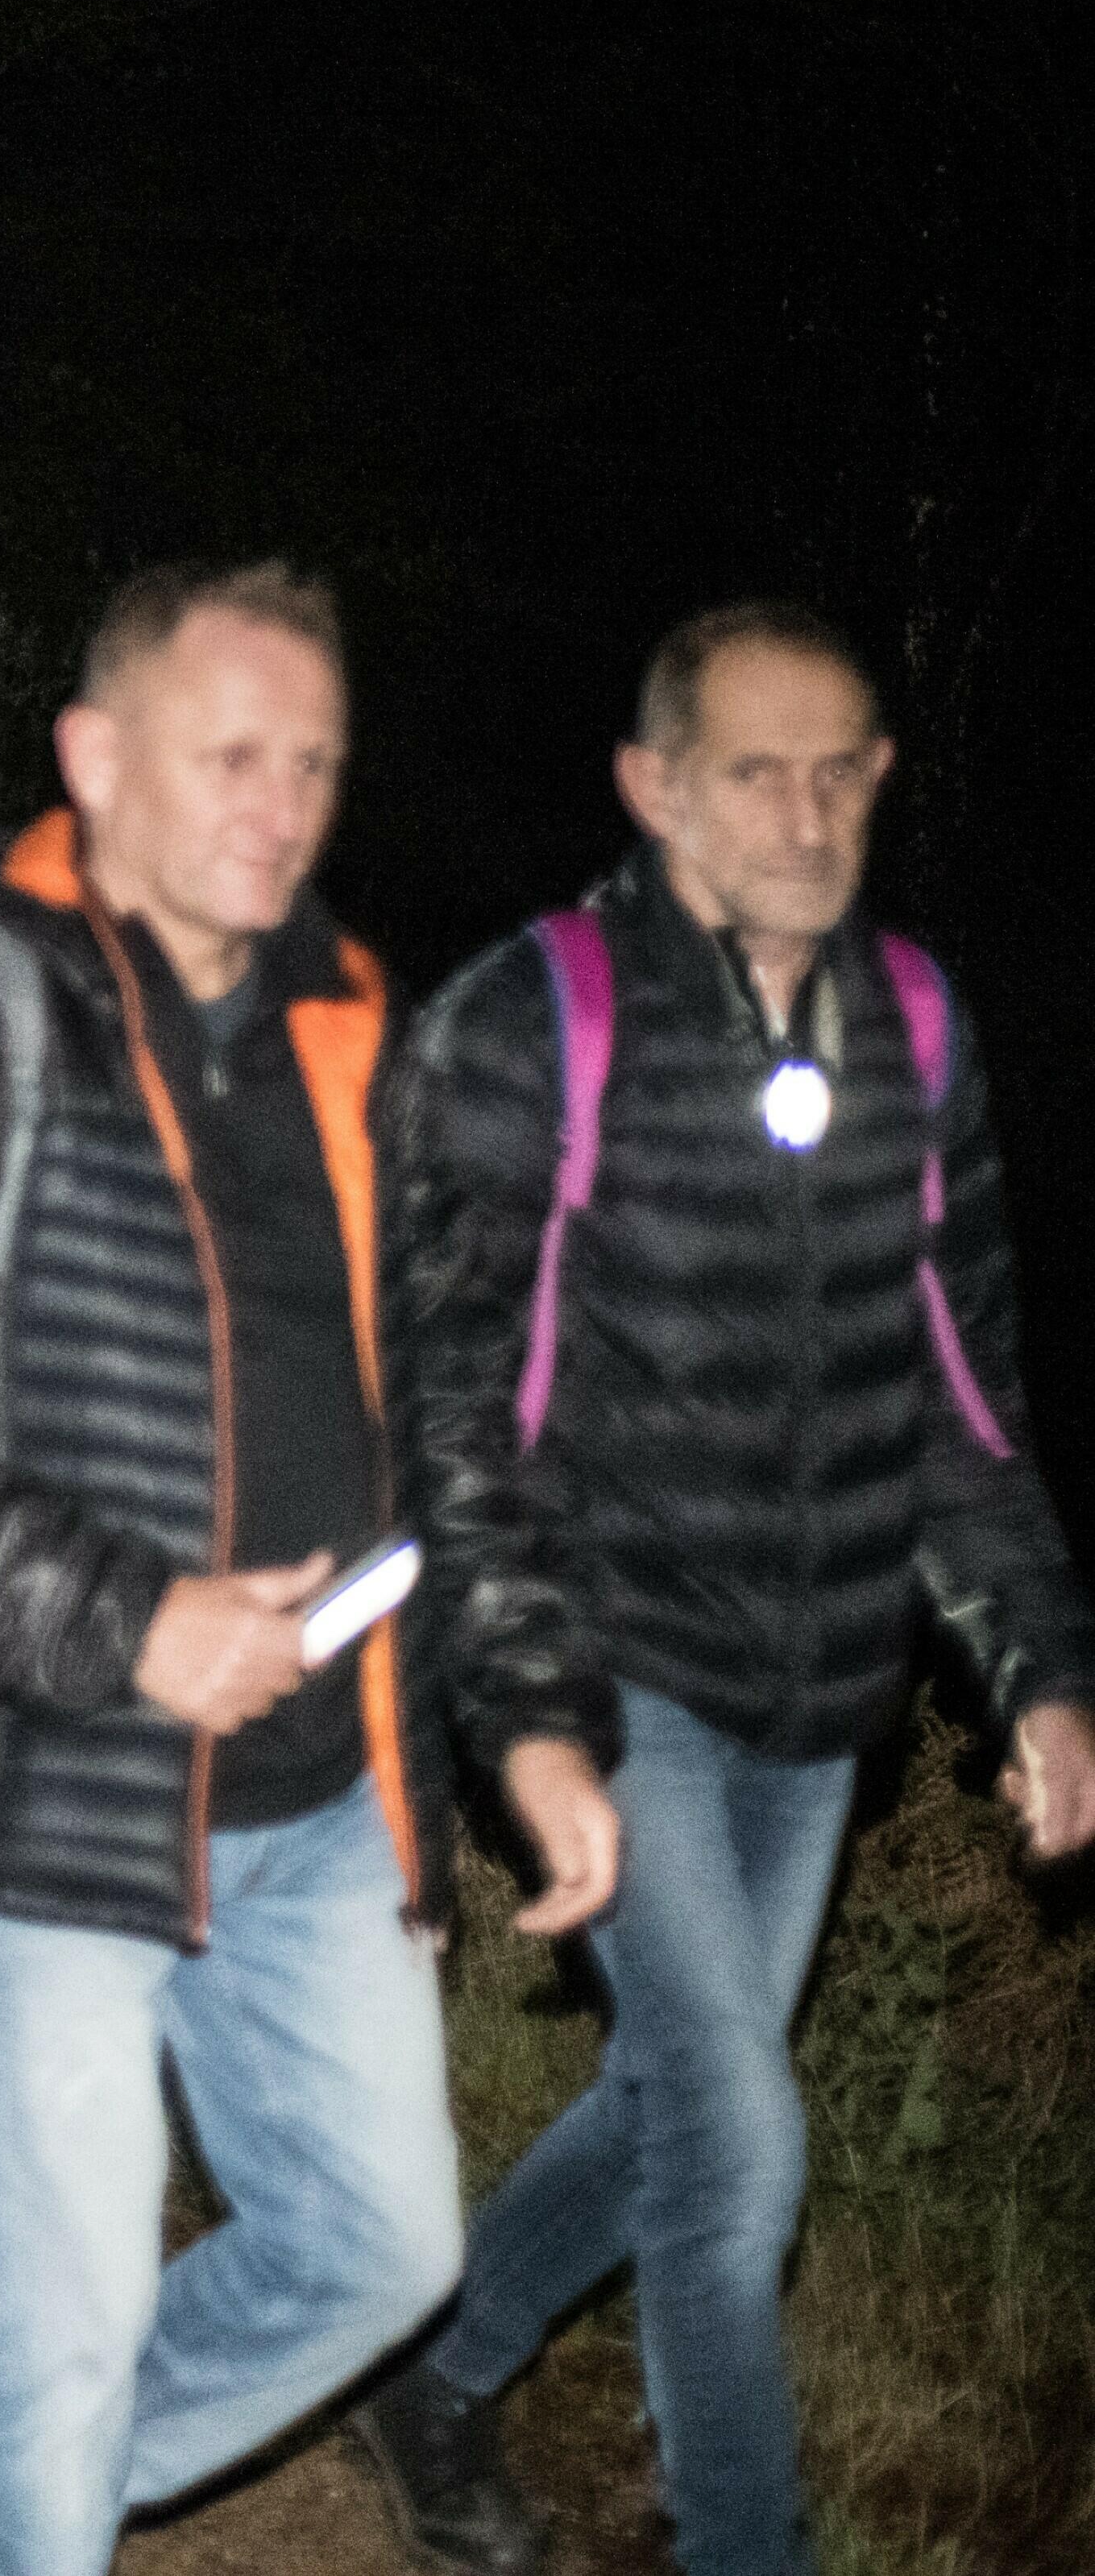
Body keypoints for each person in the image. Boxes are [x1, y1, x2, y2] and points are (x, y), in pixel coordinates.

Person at [0, 564, 620, 2575]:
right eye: (229, 754)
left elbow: (452, 1417)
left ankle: (7, 2477)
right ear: (93, 757)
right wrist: (127, 1620)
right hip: (49, 1789)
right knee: (70, 2321)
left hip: (319, 1796)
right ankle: (36, 2480)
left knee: (382, 2246)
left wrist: (534, 1719)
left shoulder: (354, 1031)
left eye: (310, 761)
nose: (277, 802)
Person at [359, 604, 1095, 2576]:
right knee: (738, 2145)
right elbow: (451, 1414)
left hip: (819, 1689)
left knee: (677, 2100)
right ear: (653, 785)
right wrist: (525, 1715)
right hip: (609, 1669)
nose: (804, 811)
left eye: (839, 767)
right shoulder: (533, 1018)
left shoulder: (914, 1026)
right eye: (754, 770)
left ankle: (436, 2366)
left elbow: (962, 1396)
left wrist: (1037, 1663)